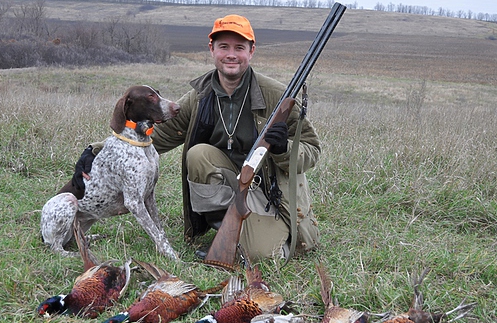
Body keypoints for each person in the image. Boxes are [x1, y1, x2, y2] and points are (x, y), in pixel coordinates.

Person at [73, 14, 321, 262]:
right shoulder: (199, 96)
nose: (231, 55)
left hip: (269, 192)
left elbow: (312, 149)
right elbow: (158, 136)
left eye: (239, 48)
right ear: (212, 49)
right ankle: (225, 225)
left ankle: (260, 231)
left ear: (251, 51)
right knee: (198, 154)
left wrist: (283, 148)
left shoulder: (276, 95)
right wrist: (96, 150)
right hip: (233, 184)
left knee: (261, 255)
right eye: (224, 47)